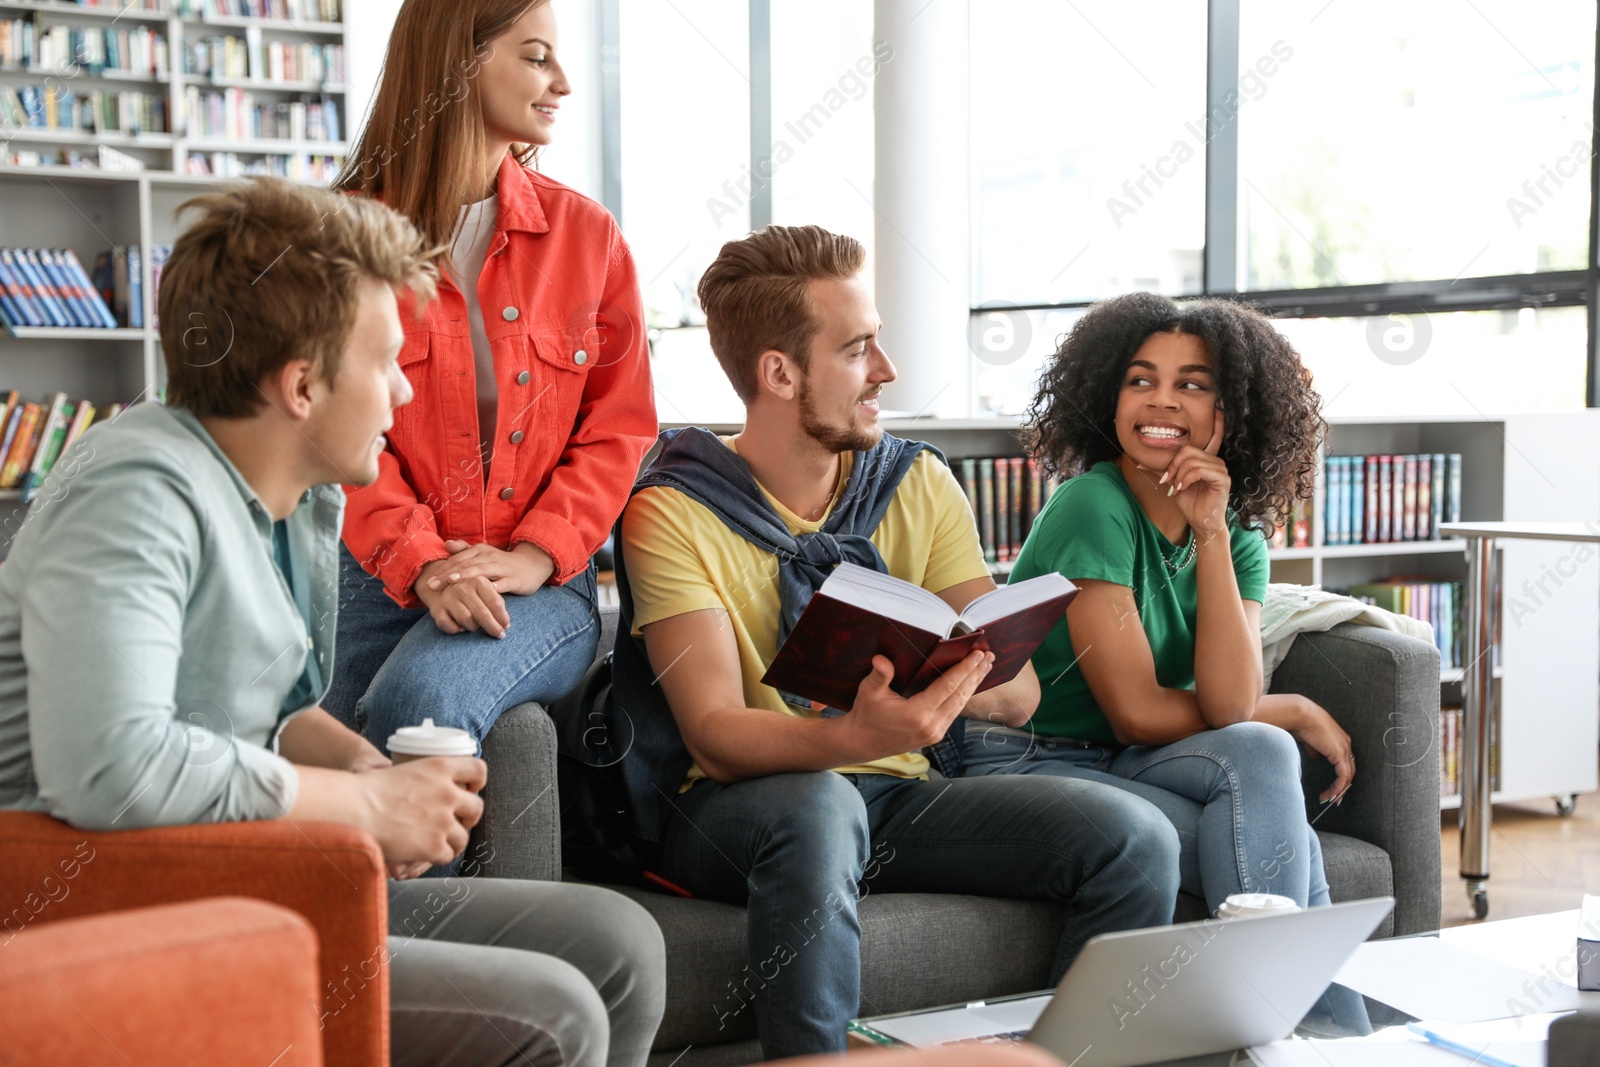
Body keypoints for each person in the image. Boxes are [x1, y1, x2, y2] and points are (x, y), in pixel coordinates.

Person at [0, 178, 664, 1067]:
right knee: (554, 1013)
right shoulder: (138, 493)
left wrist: (357, 760)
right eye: (388, 361)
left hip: (234, 866)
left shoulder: (297, 501)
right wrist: (367, 803)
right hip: (114, 903)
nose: (402, 393)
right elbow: (112, 769)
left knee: (622, 946)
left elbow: (256, 707)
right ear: (302, 384)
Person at [613, 225, 1181, 1059]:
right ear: (780, 373)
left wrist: (936, 674)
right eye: (858, 349)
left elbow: (1018, 693)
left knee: (1136, 838)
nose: (888, 370)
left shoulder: (916, 482)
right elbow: (715, 732)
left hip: (903, 790)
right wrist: (849, 735)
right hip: (742, 807)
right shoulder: (671, 508)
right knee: (822, 801)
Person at [325, 0, 655, 773]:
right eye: (536, 57)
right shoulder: (340, 237)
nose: (564, 83)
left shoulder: (589, 237)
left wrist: (540, 552)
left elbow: (621, 429)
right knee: (317, 756)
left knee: (418, 705)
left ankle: (431, 904)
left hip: (541, 579)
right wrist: (424, 561)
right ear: (458, 63)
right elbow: (327, 433)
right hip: (378, 572)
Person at [960, 291, 1350, 919]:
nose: (1161, 400)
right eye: (1140, 380)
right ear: (1107, 399)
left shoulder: (1236, 535)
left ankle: (1297, 1018)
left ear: (1233, 411)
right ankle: (1282, 1016)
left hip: (1130, 761)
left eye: (1192, 385)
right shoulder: (1093, 506)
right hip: (1028, 755)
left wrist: (1212, 533)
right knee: (1284, 833)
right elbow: (1137, 714)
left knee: (1266, 760)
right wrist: (1295, 710)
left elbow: (1230, 707)